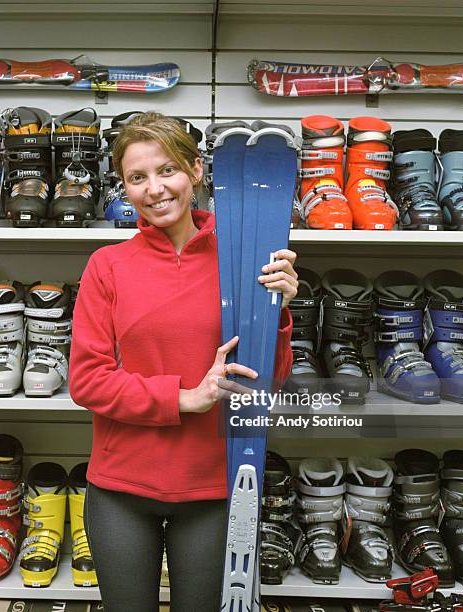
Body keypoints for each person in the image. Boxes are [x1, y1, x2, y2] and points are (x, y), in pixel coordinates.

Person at [69, 112, 298, 612]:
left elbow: (269, 374)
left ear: (196, 170)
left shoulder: (245, 256)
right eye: (137, 177)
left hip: (214, 486)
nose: (154, 189)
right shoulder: (108, 266)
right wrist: (183, 397)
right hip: (121, 489)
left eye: (167, 170)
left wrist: (278, 311)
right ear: (124, 186)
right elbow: (87, 381)